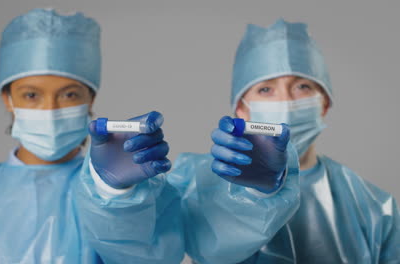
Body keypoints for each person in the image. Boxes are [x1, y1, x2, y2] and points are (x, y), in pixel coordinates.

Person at [0, 8, 184, 263]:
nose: (50, 109)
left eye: (69, 94)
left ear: (90, 98)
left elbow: (149, 257)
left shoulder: (127, 196)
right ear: (8, 99)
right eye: (31, 95)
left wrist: (115, 196)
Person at [169, 19, 399, 263]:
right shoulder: (201, 183)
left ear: (325, 103)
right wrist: (127, 195)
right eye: (266, 90)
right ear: (241, 109)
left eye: (302, 86)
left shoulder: (375, 206)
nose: (286, 102)